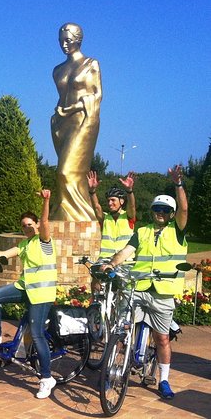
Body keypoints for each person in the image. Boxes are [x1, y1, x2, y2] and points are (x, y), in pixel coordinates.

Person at [102, 165, 188, 400]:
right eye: (156, 209)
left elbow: (184, 209)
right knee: (123, 327)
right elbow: (126, 251)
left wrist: (178, 184)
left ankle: (164, 380)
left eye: (165, 210)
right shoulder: (142, 231)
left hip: (163, 292)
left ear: (170, 213)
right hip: (138, 289)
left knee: (161, 338)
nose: (160, 212)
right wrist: (112, 263)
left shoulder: (177, 230)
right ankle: (113, 369)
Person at [0, 189, 56, 399]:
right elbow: (2, 254)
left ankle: (47, 379)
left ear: (36, 225)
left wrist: (46, 201)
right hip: (25, 289)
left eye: (30, 224)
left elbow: (45, 223)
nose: (27, 227)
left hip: (42, 295)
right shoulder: (25, 244)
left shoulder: (44, 241)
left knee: (36, 335)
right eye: (23, 225)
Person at [50, 22, 102, 221]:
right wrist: (58, 114)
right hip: (62, 123)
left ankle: (82, 219)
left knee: (67, 171)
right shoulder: (57, 70)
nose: (64, 45)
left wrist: (74, 108)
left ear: (78, 40)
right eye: (61, 41)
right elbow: (62, 95)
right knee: (63, 173)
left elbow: (97, 96)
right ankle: (63, 216)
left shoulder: (91, 64)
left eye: (68, 40)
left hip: (84, 120)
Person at [87, 171, 137, 259]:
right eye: (108, 200)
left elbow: (132, 206)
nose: (110, 203)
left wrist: (129, 191)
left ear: (121, 201)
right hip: (105, 260)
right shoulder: (105, 218)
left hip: (125, 261)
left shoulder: (128, 216)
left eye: (113, 200)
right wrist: (92, 192)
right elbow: (97, 207)